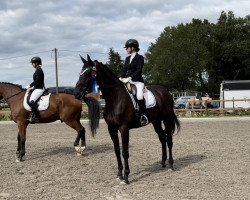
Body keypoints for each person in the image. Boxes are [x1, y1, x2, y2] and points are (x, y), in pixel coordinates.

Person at [119, 39, 148, 126]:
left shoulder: (140, 58)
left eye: (127, 47)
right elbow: (124, 70)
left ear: (133, 47)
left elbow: (139, 70)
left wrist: (130, 78)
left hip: (137, 81)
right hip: (127, 80)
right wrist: (120, 77)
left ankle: (144, 115)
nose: (126, 49)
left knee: (139, 96)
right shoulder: (127, 58)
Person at [25, 56, 45, 123]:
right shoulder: (37, 70)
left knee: (31, 101)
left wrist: (30, 85)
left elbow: (37, 80)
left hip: (39, 89)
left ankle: (36, 117)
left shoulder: (39, 70)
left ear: (36, 63)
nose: (32, 64)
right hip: (36, 88)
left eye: (33, 63)